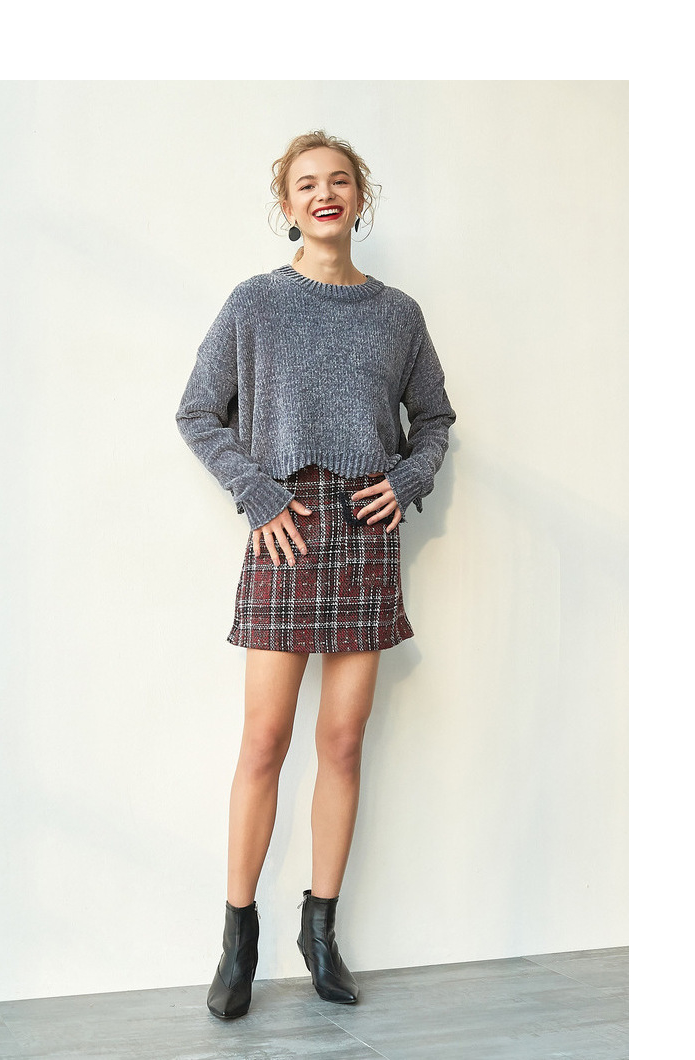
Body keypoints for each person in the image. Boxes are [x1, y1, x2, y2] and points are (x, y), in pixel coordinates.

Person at [176, 130, 456, 1019]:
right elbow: (197, 412)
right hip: (285, 534)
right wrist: (257, 493)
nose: (324, 193)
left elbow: (436, 420)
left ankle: (321, 931)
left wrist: (406, 480)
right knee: (264, 742)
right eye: (306, 184)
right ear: (287, 204)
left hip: (365, 535)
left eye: (339, 181)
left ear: (360, 199)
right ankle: (238, 940)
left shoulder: (398, 314)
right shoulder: (256, 303)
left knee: (341, 741)